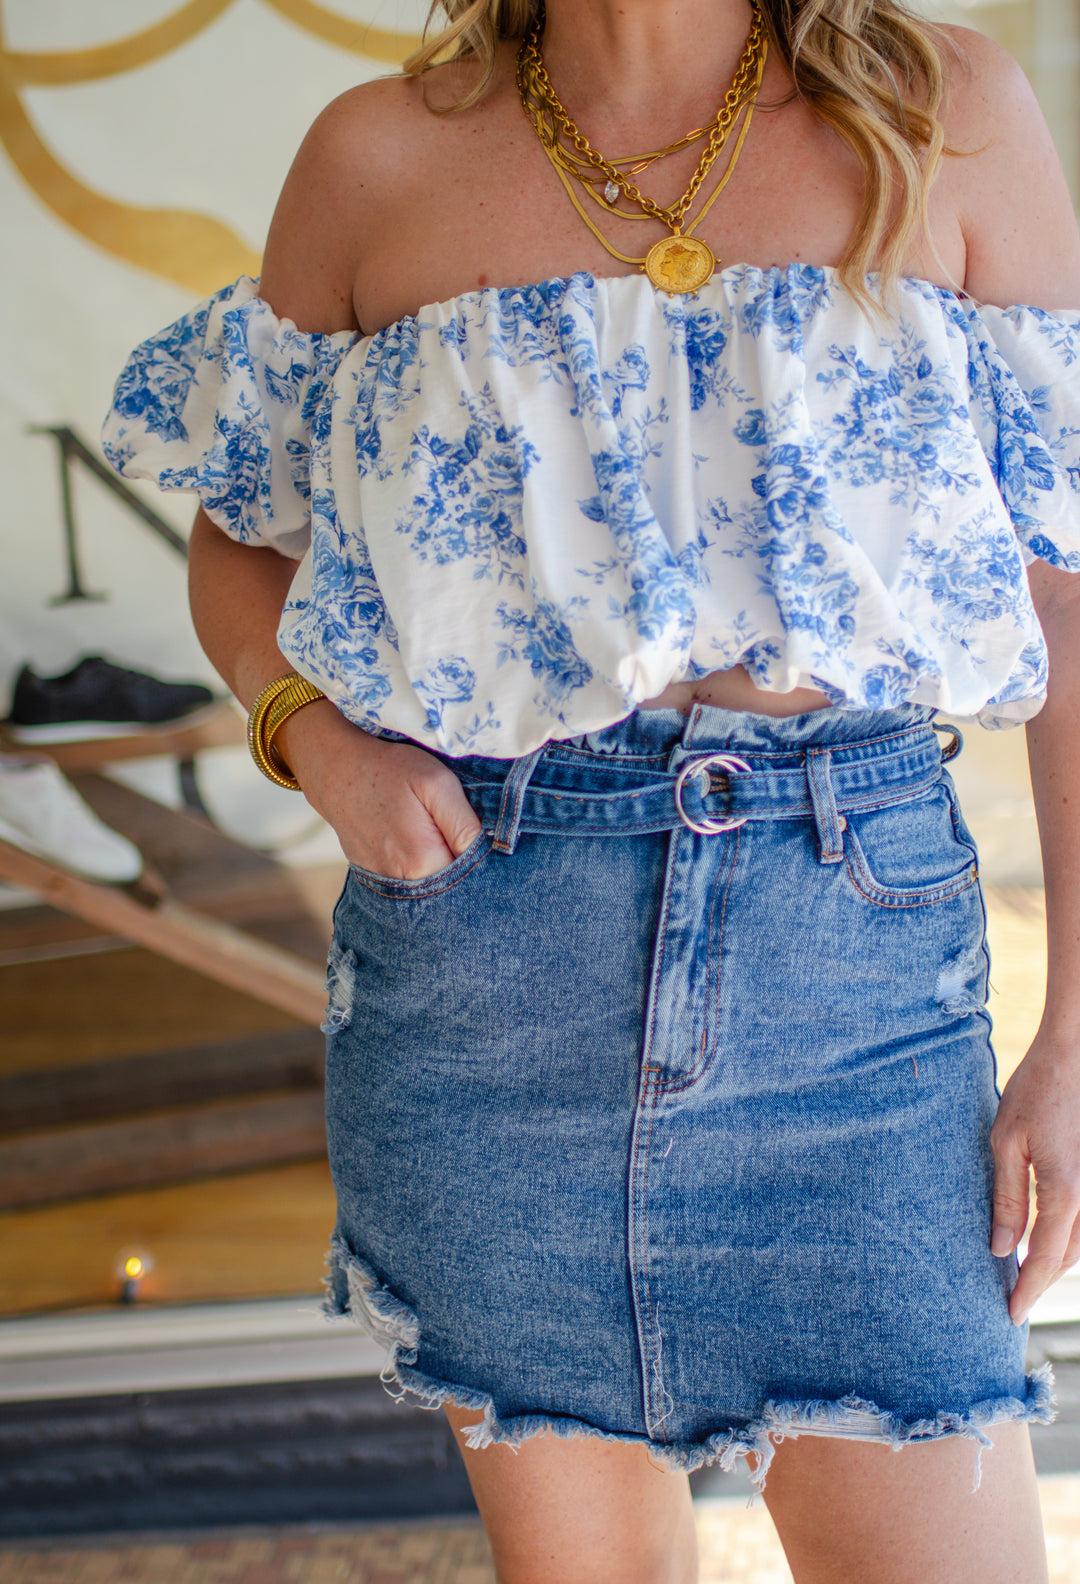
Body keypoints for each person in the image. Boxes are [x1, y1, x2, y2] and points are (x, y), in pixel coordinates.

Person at [102, 0, 1080, 1577]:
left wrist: (1078, 1037)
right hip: (488, 972)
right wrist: (320, 744)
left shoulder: (941, 105)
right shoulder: (377, 159)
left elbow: (1071, 591)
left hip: (858, 991)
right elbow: (239, 532)